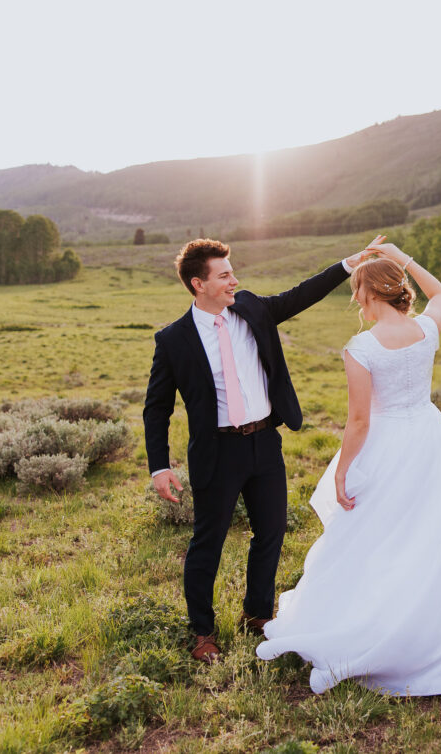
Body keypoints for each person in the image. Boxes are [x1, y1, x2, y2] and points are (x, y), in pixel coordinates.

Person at [255, 242, 441, 695]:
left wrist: (343, 470)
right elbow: (440, 292)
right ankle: (440, 624)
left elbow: (360, 420)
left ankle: (378, 629)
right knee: (436, 532)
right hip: (428, 439)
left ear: (366, 295)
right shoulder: (427, 329)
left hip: (387, 446)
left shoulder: (361, 348)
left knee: (378, 536)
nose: (355, 302)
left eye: (356, 293)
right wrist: (401, 256)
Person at [143, 237, 376, 663]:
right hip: (216, 451)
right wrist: (159, 466)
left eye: (232, 272)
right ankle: (202, 632)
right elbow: (156, 409)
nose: (235, 279)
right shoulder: (173, 340)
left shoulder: (250, 308)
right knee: (207, 541)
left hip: (266, 442)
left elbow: (300, 295)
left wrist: (348, 264)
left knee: (270, 531)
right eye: (225, 275)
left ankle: (257, 613)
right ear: (199, 284)